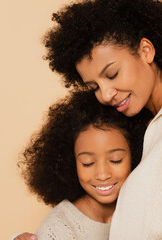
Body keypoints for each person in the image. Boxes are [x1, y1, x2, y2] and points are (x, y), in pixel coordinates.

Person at [18, 0, 162, 239]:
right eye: (94, 87)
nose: (105, 95)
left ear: (146, 51)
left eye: (112, 74)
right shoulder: (154, 124)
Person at [16, 91, 150, 239]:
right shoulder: (57, 229)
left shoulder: (146, 212)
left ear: (136, 154)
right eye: (88, 163)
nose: (103, 174)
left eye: (115, 159)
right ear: (71, 162)